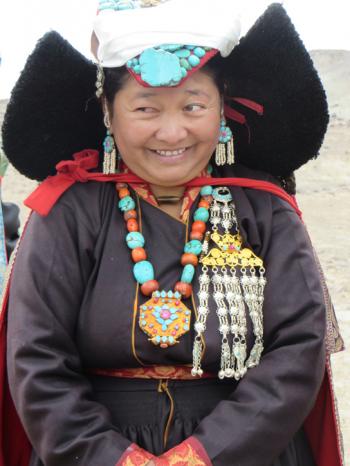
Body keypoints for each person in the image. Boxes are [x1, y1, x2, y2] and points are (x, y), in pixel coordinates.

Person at [0, 1, 344, 465]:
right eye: (146, 108)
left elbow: (298, 349)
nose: (171, 131)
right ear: (109, 111)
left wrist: (203, 456)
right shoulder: (66, 212)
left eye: (193, 105)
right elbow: (35, 358)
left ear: (222, 107)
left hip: (249, 450)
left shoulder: (264, 209)